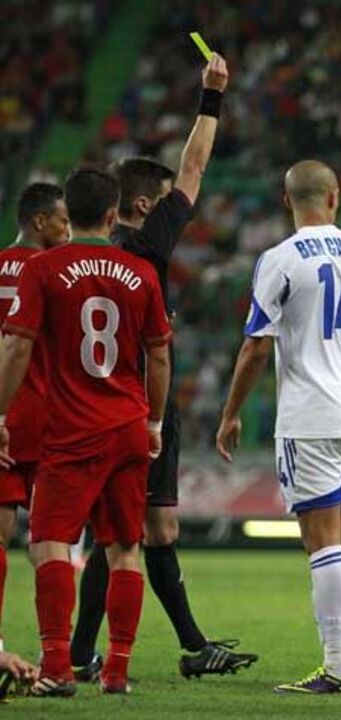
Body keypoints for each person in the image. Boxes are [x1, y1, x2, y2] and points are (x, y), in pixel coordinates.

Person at [70, 52, 257, 681]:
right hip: (139, 406)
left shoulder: (77, 257)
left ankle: (184, 645)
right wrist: (213, 97)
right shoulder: (148, 246)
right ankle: (94, 652)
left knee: (147, 527)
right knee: (130, 531)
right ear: (144, 206)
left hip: (84, 402)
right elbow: (196, 165)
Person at [216, 160, 341, 695]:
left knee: (322, 544)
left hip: (311, 416)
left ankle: (338, 666)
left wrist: (231, 412)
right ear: (336, 197)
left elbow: (256, 345)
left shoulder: (280, 259)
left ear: (287, 200)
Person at [0, 168, 173, 696]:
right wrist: (154, 421)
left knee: (49, 541)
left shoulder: (45, 268)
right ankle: (116, 670)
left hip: (71, 428)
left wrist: (0, 415)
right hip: (126, 424)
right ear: (111, 213)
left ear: (68, 214)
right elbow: (160, 354)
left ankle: (57, 665)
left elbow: (18, 345)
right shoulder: (140, 272)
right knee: (124, 546)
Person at [0, 183, 71, 650]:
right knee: (52, 542)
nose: (69, 229)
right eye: (63, 220)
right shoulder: (56, 274)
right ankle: (59, 655)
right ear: (40, 222)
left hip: (4, 418)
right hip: (51, 420)